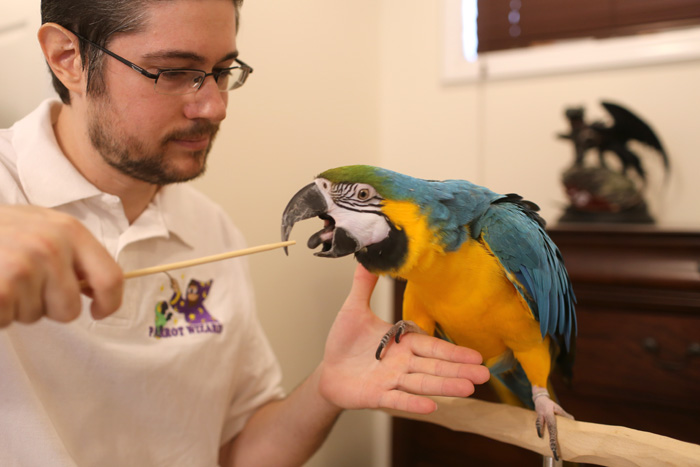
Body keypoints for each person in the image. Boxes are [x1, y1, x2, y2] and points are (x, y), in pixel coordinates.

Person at [0, 0, 490, 465]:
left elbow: (237, 451)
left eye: (222, 72)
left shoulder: (211, 229)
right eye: (174, 72)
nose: (215, 107)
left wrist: (326, 387)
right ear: (68, 58)